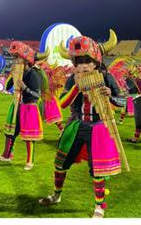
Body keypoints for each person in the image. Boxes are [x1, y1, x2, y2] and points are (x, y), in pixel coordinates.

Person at [39, 36, 126, 218]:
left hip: (100, 127)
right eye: (79, 62)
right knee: (60, 162)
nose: (84, 66)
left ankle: (99, 206)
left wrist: (110, 96)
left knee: (98, 170)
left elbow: (122, 101)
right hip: (77, 124)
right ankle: (56, 194)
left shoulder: (106, 77)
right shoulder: (72, 79)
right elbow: (62, 104)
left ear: (96, 62)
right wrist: (76, 89)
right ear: (74, 64)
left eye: (88, 61)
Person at [0, 41, 46, 170]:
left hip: (29, 107)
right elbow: (7, 87)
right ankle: (7, 155)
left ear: (25, 59)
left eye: (17, 58)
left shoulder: (34, 74)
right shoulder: (18, 72)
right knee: (10, 132)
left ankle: (29, 161)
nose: (15, 61)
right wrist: (12, 75)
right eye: (14, 58)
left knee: (29, 137)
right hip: (17, 104)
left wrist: (24, 87)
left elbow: (36, 95)